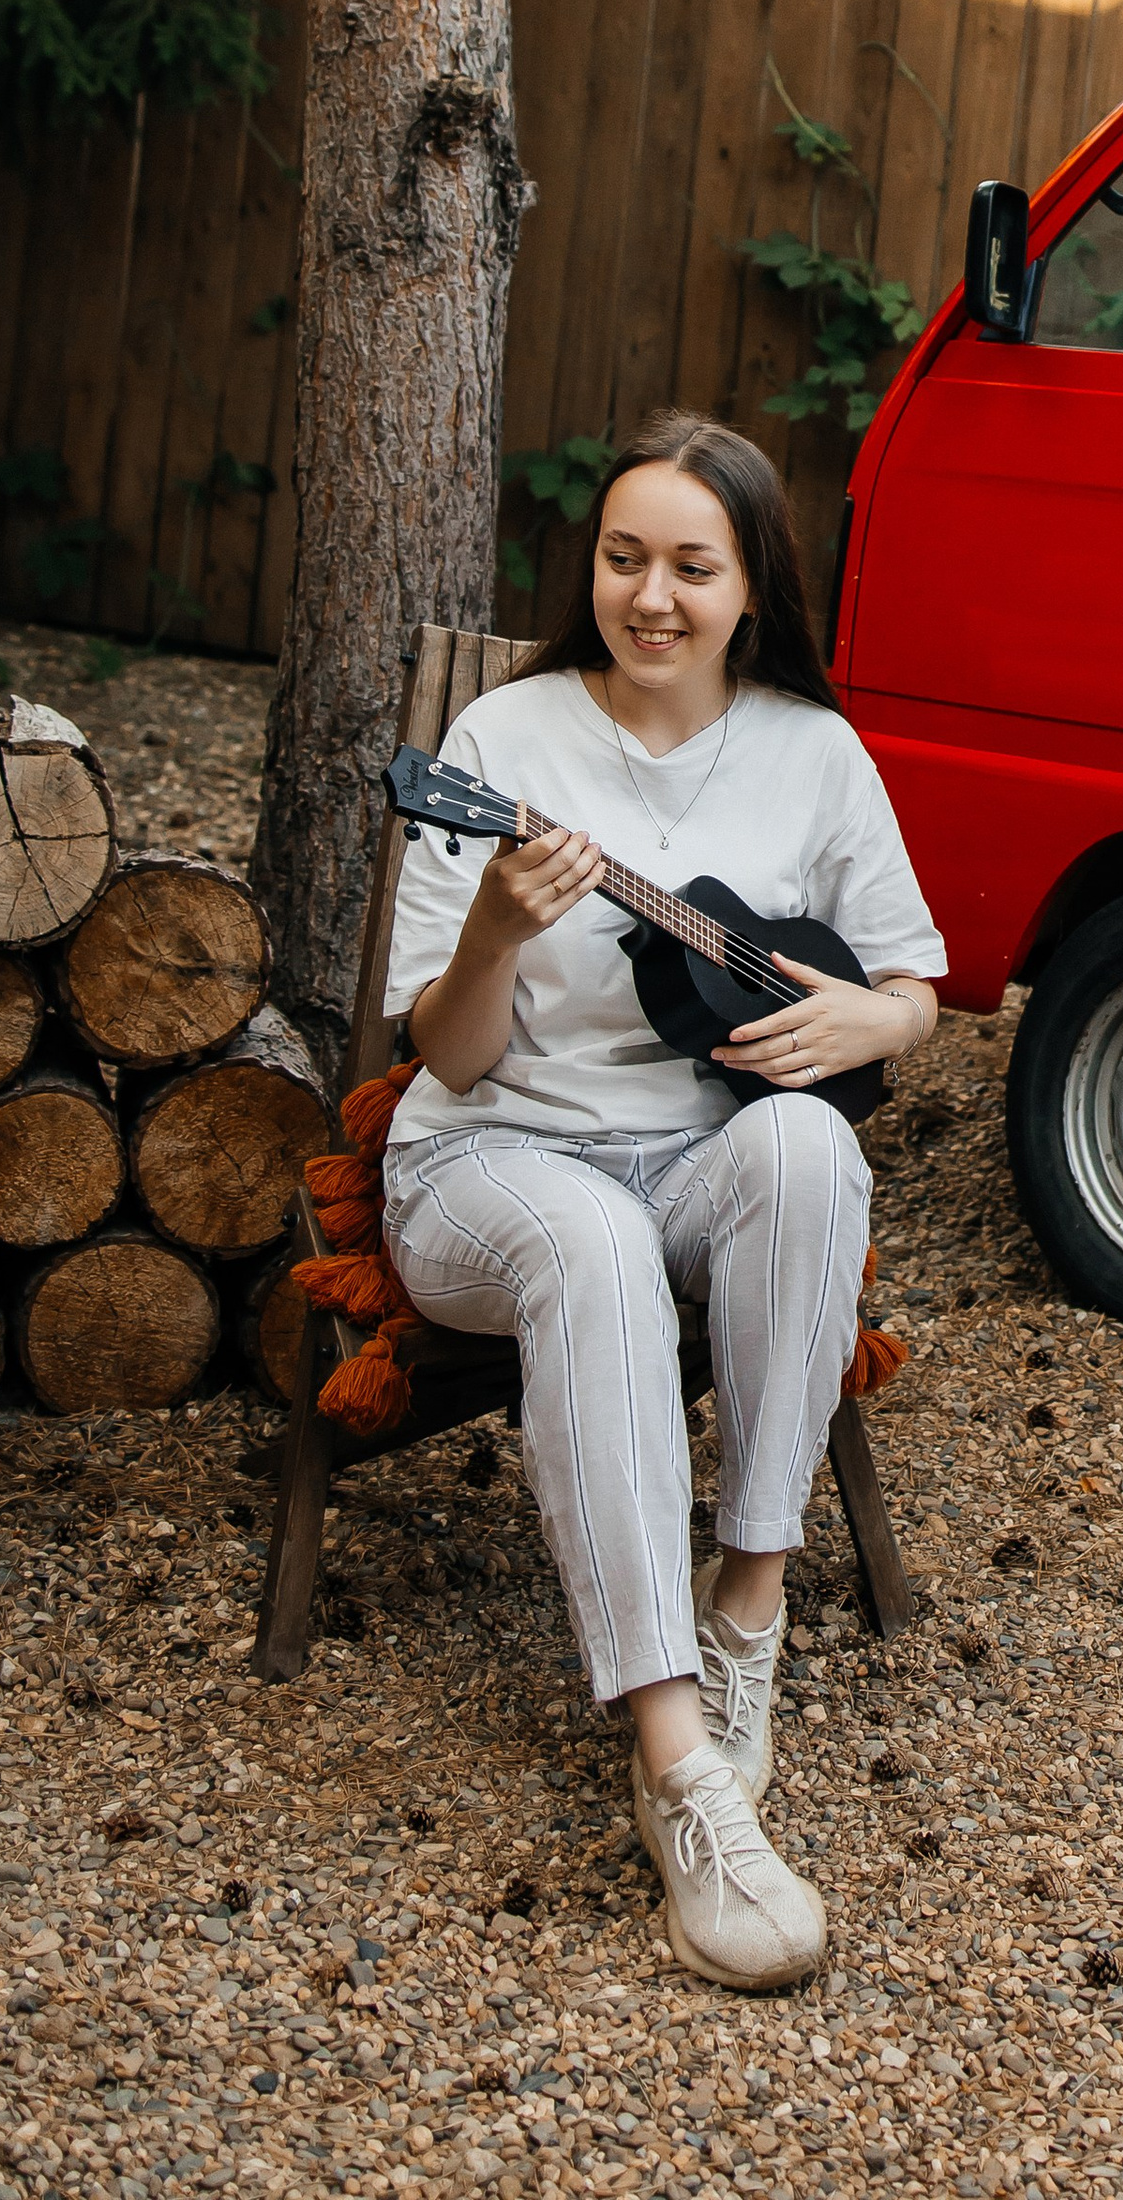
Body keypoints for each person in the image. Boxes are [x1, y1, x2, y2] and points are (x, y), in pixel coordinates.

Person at [381, 411, 947, 1993]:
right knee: (593, 1238)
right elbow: (451, 1052)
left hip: (698, 1155)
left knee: (808, 1149)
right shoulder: (503, 745)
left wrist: (868, 1022)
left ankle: (747, 1604)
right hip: (493, 1161)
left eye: (692, 566)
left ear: (751, 584)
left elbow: (917, 983)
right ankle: (681, 1766)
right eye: (625, 558)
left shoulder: (809, 749)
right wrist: (494, 927)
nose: (652, 596)